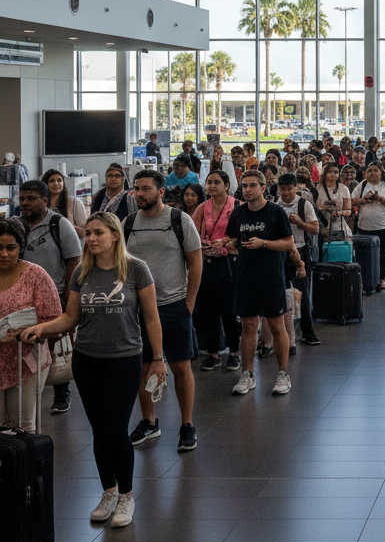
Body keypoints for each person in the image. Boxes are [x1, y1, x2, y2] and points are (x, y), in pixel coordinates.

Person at [23, 212, 164, 529]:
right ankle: (109, 491)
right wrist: (41, 328)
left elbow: (152, 318)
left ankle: (127, 495)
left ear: (115, 235)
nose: (91, 238)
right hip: (87, 359)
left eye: (98, 233)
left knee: (116, 430)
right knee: (99, 430)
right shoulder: (82, 273)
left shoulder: (136, 270)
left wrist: (158, 357)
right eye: (88, 233)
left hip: (124, 358)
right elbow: (70, 317)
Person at [125, 169, 203, 454]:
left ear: (160, 192)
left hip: (173, 304)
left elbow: (195, 262)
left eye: (145, 189)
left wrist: (189, 302)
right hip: (138, 308)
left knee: (181, 366)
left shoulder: (178, 220)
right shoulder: (129, 223)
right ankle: (149, 421)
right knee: (143, 367)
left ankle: (187, 424)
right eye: (136, 189)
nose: (139, 194)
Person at [226, 169, 299, 397]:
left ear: (263, 187)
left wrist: (264, 243)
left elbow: (288, 243)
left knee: (277, 325)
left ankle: (282, 373)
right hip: (245, 277)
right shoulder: (238, 213)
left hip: (271, 277)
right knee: (248, 327)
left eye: (252, 186)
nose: (247, 190)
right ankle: (247, 374)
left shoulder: (275, 212)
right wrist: (230, 244)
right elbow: (231, 240)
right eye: (244, 186)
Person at [18, 179, 82, 415]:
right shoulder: (17, 225)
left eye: (31, 199)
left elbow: (73, 262)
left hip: (55, 296)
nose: (24, 203)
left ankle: (61, 391)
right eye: (22, 198)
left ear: (45, 201)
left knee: (55, 344)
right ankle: (28, 389)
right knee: (26, 344)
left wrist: (68, 299)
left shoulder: (59, 224)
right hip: (23, 300)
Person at [0, 218, 61, 432]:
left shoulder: (36, 276)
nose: (4, 254)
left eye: (11, 248)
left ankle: (22, 465)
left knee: (23, 425)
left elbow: (54, 321)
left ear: (21, 247)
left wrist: (32, 333)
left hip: (26, 361)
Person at [192, 169, 241, 372]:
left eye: (217, 182)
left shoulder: (237, 207)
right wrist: (201, 244)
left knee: (229, 311)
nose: (212, 186)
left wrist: (226, 245)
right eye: (209, 182)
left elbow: (242, 234)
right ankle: (213, 353)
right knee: (208, 311)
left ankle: (234, 353)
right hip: (207, 263)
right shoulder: (202, 208)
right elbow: (192, 233)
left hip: (230, 262)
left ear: (226, 185)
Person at [277, 172, 320, 346]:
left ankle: (307, 330)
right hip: (280, 251)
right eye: (283, 189)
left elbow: (315, 229)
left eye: (289, 189)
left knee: (303, 293)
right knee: (281, 292)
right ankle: (283, 334)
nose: (286, 193)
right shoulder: (275, 206)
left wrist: (300, 223)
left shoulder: (304, 205)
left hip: (300, 250)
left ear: (296, 188)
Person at [351, 163, 385, 290]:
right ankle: (363, 280)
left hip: (382, 226)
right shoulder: (361, 186)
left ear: (381, 173)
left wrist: (381, 199)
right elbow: (350, 201)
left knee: (381, 255)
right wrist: (364, 200)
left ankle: (381, 279)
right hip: (364, 226)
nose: (372, 173)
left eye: (375, 170)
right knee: (363, 255)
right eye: (370, 170)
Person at [42, 168, 89, 238]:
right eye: (51, 181)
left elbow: (85, 231)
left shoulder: (74, 203)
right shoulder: (41, 204)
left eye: (59, 180)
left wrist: (66, 227)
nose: (56, 183)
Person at [316, 163, 352, 242]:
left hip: (340, 228)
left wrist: (339, 212)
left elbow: (348, 210)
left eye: (336, 172)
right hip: (323, 227)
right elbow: (313, 209)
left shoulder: (344, 189)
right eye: (330, 172)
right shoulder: (317, 188)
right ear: (325, 173)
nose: (333, 174)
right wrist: (324, 207)